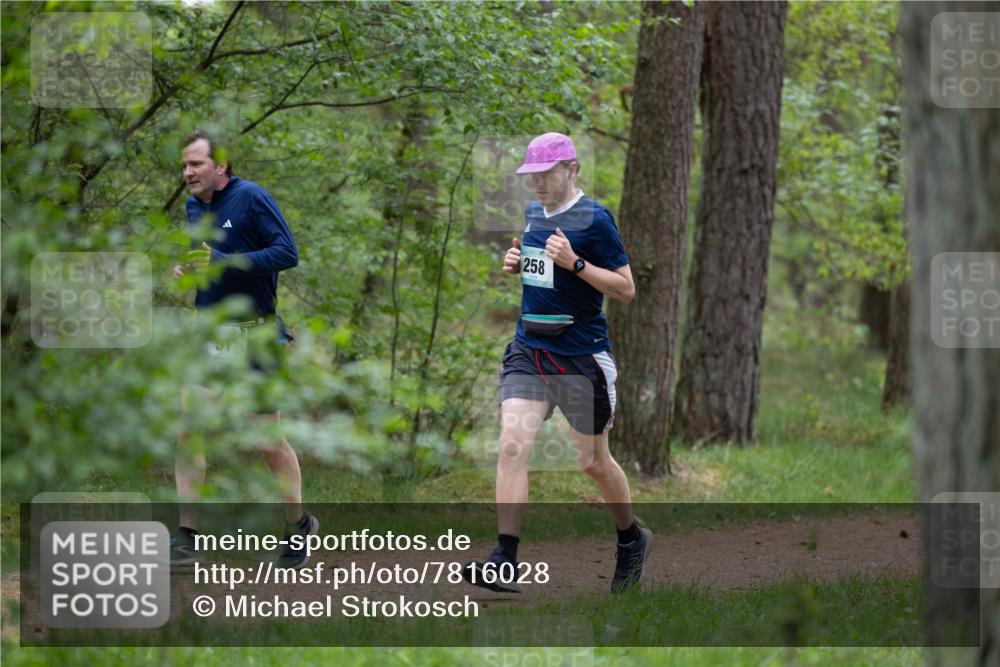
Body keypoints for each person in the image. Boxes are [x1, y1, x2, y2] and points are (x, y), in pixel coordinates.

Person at [463, 132, 651, 593]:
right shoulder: (532, 214)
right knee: (510, 445)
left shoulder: (597, 220)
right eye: (532, 176)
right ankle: (503, 560)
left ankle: (631, 539)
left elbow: (626, 289)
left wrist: (576, 264)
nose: (538, 184)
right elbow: (541, 272)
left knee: (591, 462)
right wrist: (518, 264)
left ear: (572, 169)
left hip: (580, 356)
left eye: (546, 174)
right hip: (530, 349)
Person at [170, 129, 318, 569]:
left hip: (255, 334)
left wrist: (227, 262)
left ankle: (299, 526)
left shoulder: (252, 197)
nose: (188, 173)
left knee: (266, 440)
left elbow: (287, 253)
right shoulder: (194, 205)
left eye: (195, 164)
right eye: (183, 166)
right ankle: (187, 538)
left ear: (222, 166)